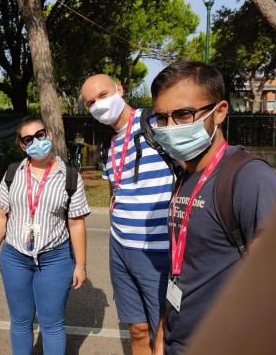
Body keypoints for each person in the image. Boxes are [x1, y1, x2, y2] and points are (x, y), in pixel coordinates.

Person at [149, 60, 276, 355]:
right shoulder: (185, 175)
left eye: (183, 114)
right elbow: (182, 269)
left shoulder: (250, 178)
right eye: (161, 117)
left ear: (220, 111)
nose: (170, 128)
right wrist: (162, 333)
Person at [81, 75, 175, 355]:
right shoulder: (108, 145)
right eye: (90, 103)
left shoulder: (156, 123)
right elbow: (115, 189)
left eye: (103, 95)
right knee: (136, 329)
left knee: (164, 333)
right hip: (120, 248)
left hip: (158, 249)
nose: (98, 105)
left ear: (120, 90)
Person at [0, 116, 90, 354]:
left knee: (52, 325)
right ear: (22, 145)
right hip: (15, 257)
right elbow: (1, 216)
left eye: (40, 135)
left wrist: (80, 265)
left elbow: (76, 224)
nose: (36, 142)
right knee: (20, 321)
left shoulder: (70, 176)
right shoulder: (13, 173)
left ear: (49, 134)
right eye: (28, 139)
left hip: (55, 259)